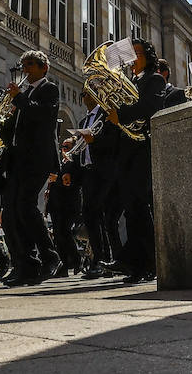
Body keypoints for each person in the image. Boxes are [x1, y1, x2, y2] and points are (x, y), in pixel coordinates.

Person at [106, 38, 167, 284]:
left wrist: (119, 114)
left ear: (149, 56)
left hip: (142, 148)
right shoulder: (130, 81)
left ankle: (148, 263)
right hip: (126, 150)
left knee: (140, 206)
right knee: (130, 208)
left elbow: (149, 106)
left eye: (138, 53)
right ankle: (133, 262)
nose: (133, 58)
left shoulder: (155, 79)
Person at [1, 50, 62, 287]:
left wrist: (19, 100)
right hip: (18, 158)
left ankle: (50, 256)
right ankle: (26, 263)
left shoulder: (49, 89)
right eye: (23, 65)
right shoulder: (25, 94)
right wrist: (5, 120)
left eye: (30, 65)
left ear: (43, 68)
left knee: (26, 206)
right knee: (13, 211)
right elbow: (14, 131)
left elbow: (43, 115)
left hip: (38, 158)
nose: (25, 69)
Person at [73, 92, 120, 279]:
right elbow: (82, 149)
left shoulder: (106, 114)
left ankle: (108, 259)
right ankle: (98, 259)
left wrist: (95, 140)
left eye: (88, 94)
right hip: (88, 173)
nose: (85, 97)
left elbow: (112, 141)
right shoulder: (84, 121)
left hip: (104, 172)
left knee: (103, 216)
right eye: (83, 94)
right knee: (90, 216)